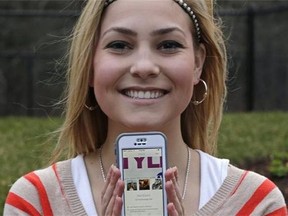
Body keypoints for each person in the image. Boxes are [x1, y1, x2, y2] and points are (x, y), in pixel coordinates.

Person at [4, 0, 287, 215]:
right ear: (89, 64)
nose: (143, 67)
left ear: (198, 63)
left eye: (168, 45)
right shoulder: (36, 200)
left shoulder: (257, 202)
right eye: (119, 45)